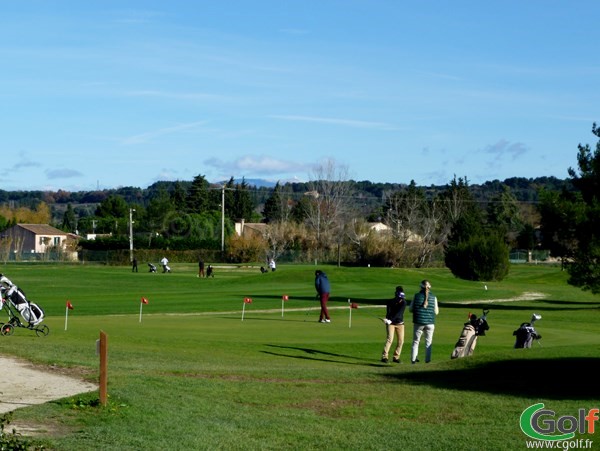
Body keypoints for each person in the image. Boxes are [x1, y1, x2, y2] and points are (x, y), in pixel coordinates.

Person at [409, 280, 439, 364]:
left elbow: (410, 309)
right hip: (430, 323)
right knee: (428, 342)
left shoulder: (416, 296)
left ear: (420, 287)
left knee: (416, 341)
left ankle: (413, 361)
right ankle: (427, 361)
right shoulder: (434, 297)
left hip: (418, 323)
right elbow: (436, 312)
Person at [381, 286, 407, 364]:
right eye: (399, 298)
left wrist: (390, 320)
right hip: (391, 324)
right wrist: (387, 319)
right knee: (390, 339)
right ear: (396, 296)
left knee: (401, 341)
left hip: (400, 324)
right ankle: (384, 357)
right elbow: (388, 312)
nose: (401, 300)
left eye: (402, 298)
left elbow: (398, 314)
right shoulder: (390, 302)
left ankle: (396, 357)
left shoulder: (404, 303)